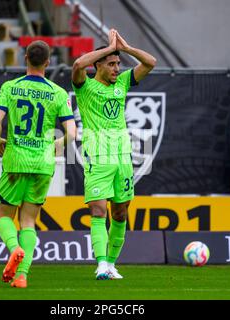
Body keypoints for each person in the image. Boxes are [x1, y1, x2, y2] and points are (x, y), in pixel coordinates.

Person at [0, 40, 76, 288]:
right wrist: (58, 146)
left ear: (25, 57)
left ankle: (14, 248)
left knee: (4, 216)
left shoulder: (10, 87)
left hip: (16, 160)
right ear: (48, 62)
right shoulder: (58, 93)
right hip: (42, 164)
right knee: (28, 221)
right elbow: (72, 132)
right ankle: (22, 276)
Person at [72, 29, 156, 279]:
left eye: (118, 64)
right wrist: (109, 48)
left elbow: (151, 62)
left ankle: (111, 263)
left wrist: (125, 48)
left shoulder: (122, 82)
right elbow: (77, 64)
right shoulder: (84, 86)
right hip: (97, 159)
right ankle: (100, 264)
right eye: (111, 64)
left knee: (120, 212)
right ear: (98, 64)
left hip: (123, 159)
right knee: (98, 210)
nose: (117, 68)